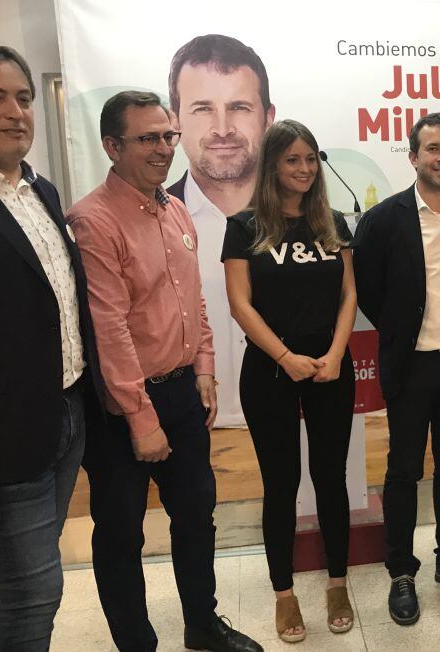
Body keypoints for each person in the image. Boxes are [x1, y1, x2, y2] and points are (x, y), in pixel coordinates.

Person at [68, 91, 261, 652]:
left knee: (197, 519)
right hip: (122, 409)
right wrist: (141, 418)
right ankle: (137, 643)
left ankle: (202, 625)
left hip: (181, 394)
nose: (162, 148)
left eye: (167, 135)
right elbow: (109, 327)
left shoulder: (175, 210)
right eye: (147, 137)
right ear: (111, 145)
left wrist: (204, 366)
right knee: (122, 536)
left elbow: (194, 300)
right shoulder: (92, 221)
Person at [0, 42, 104, 651]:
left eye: (25, 98)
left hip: (65, 413)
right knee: (30, 594)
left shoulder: (40, 191)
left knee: (39, 583)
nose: (17, 112)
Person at [353, 113, 440, 625]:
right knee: (404, 471)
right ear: (413, 157)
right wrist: (398, 332)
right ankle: (401, 572)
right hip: (411, 366)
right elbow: (367, 288)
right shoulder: (385, 219)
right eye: (432, 149)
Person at [223, 120, 357, 641]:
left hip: (329, 368)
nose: (303, 169)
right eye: (291, 160)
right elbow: (240, 303)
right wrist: (285, 355)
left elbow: (349, 294)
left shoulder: (334, 223)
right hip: (270, 371)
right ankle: (284, 593)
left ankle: (338, 582)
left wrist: (336, 351)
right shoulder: (246, 225)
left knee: (330, 479)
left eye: (309, 159)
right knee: (280, 484)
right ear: (272, 165)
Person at [167, 34, 277, 428]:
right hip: (189, 428)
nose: (223, 128)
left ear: (268, 117)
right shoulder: (152, 222)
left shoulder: (304, 221)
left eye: (239, 106)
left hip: (286, 419)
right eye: (202, 109)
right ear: (175, 119)